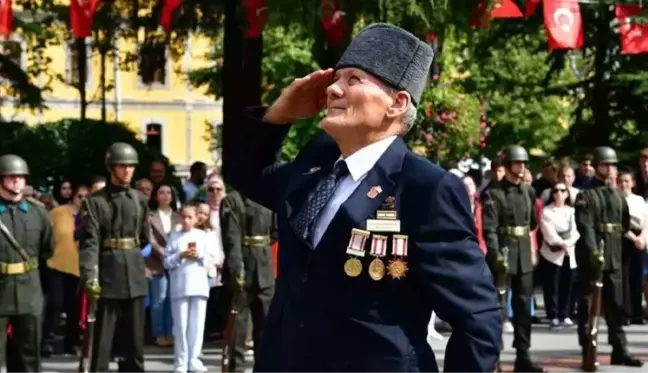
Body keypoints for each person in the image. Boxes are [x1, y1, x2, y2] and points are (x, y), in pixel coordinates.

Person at [223, 23, 500, 373]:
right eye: (335, 78)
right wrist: (278, 116)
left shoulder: (425, 188)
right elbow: (246, 175)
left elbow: (477, 318)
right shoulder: (317, 166)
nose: (333, 89)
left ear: (397, 103)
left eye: (353, 79)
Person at [78, 142, 150, 373]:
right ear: (111, 167)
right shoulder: (95, 201)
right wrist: (90, 275)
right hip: (108, 275)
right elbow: (90, 243)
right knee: (103, 341)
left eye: (131, 166)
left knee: (135, 342)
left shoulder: (140, 200)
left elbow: (144, 237)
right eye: (122, 166)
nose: (128, 170)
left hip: (134, 274)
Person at [574, 146, 642, 367]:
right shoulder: (586, 195)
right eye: (606, 165)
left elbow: (623, 225)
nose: (611, 169)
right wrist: (594, 252)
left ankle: (620, 349)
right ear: (597, 166)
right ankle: (587, 348)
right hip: (591, 256)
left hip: (614, 254)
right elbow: (586, 227)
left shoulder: (617, 195)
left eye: (613, 165)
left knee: (615, 303)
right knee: (588, 305)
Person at [482, 145, 545, 373]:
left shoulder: (528, 191)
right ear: (508, 165)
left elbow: (531, 224)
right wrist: (496, 255)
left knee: (523, 308)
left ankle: (523, 355)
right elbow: (489, 230)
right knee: (498, 310)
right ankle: (494, 356)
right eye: (518, 162)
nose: (523, 166)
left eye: (524, 163)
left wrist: (531, 252)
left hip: (523, 256)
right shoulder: (493, 194)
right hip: (503, 255)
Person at [0, 154, 54, 373]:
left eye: (21, 177)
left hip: (29, 289)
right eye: (11, 176)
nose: (17, 181)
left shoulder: (38, 213)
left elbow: (47, 249)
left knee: (29, 354)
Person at [220, 190, 276, 373]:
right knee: (237, 332)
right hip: (242, 269)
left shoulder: (269, 196)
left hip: (264, 269)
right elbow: (231, 238)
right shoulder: (232, 200)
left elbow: (276, 231)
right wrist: (237, 269)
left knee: (266, 329)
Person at [42, 184, 89, 356]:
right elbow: (45, 234)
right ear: (73, 197)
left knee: (74, 308)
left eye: (86, 197)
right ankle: (47, 342)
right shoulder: (59, 212)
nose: (82, 200)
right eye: (79, 196)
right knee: (55, 304)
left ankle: (71, 343)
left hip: (78, 268)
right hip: (56, 265)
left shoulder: (90, 217)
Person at [164, 204, 211, 373]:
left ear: (196, 219)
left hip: (198, 285)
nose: (187, 220)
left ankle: (194, 359)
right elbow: (166, 262)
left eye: (190, 217)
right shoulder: (174, 237)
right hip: (180, 286)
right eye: (184, 217)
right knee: (181, 325)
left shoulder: (203, 236)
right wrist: (180, 255)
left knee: (197, 326)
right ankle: (181, 361)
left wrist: (199, 256)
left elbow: (210, 261)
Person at [539, 181, 579, 330]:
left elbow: (576, 231)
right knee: (552, 285)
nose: (559, 194)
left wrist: (568, 244)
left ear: (567, 193)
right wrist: (561, 244)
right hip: (553, 253)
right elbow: (548, 231)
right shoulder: (547, 211)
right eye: (556, 191)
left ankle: (566, 314)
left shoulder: (572, 211)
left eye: (562, 191)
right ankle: (553, 316)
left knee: (568, 285)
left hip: (570, 252)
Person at [147, 183, 181, 346]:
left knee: (171, 299)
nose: (166, 195)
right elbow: (151, 239)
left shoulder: (178, 216)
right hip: (157, 262)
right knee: (159, 299)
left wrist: (173, 255)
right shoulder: (151, 216)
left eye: (169, 193)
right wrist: (164, 253)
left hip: (175, 263)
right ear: (156, 196)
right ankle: (159, 333)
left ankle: (171, 332)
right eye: (162, 192)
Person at [617, 170, 648, 324]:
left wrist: (642, 237)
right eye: (621, 181)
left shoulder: (639, 200)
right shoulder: (617, 200)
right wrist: (633, 237)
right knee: (624, 276)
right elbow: (619, 223)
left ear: (633, 183)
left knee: (637, 277)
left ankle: (637, 312)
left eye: (627, 181)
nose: (624, 184)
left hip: (640, 238)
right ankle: (626, 313)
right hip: (624, 237)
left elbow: (646, 220)